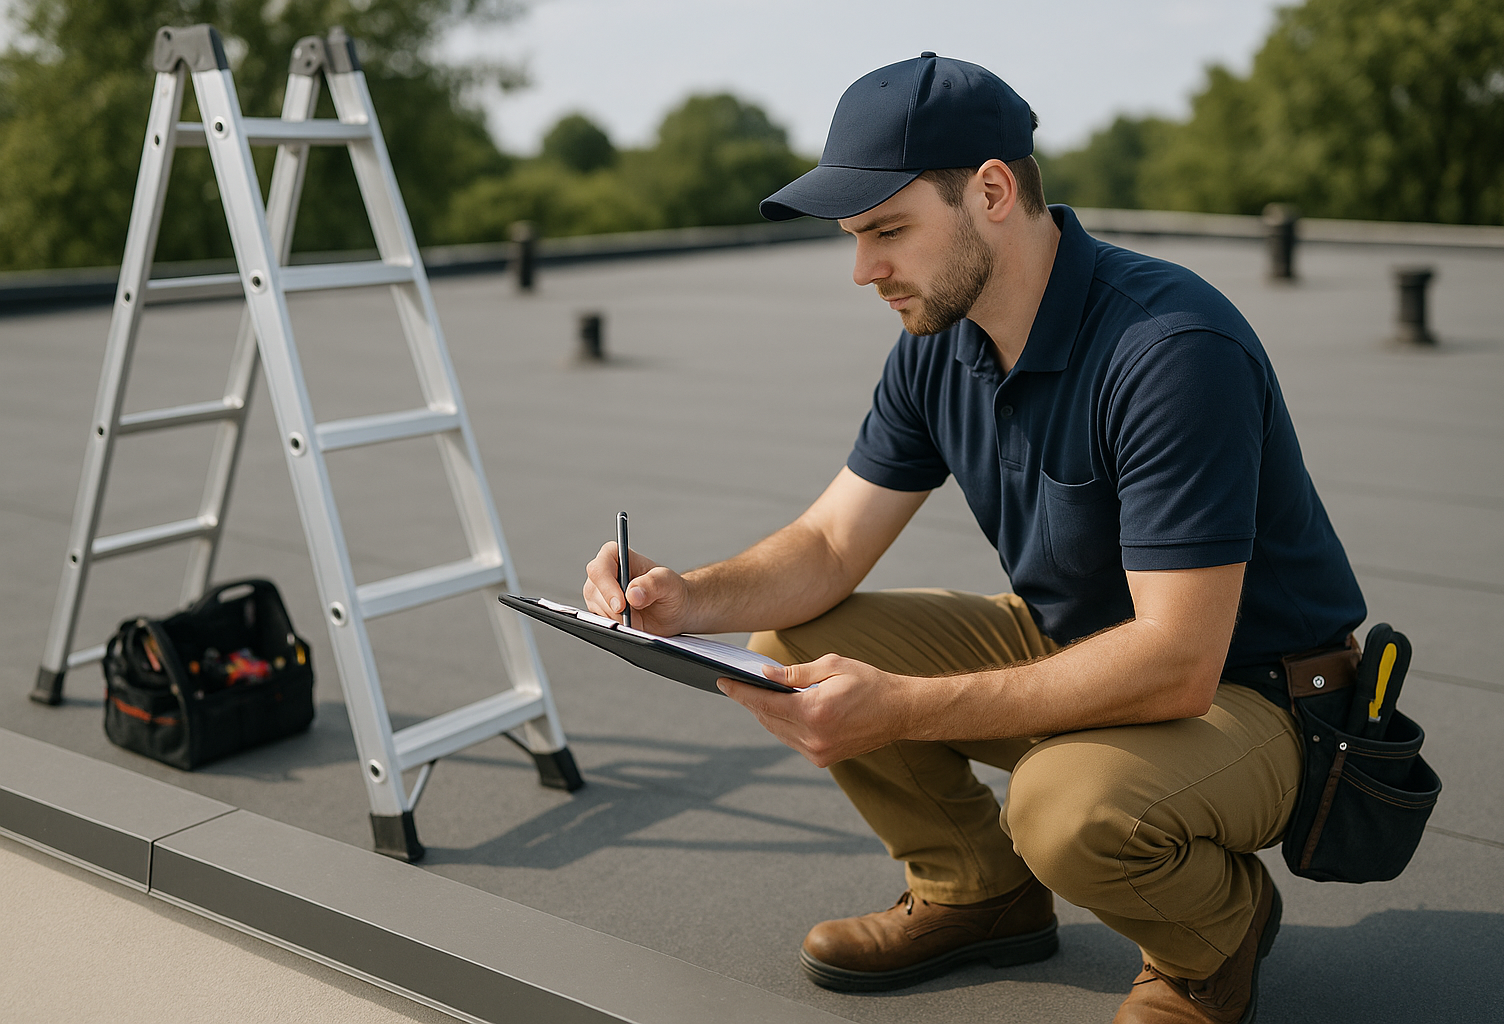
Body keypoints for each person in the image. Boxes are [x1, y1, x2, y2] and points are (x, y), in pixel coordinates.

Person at [584, 52, 1364, 1024]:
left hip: (1258, 695)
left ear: (992, 191)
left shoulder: (1170, 348)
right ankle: (978, 893)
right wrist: (683, 596)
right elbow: (829, 545)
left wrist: (902, 708)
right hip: (1077, 641)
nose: (864, 269)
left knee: (1063, 806)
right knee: (791, 650)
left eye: (888, 231)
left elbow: (1178, 662)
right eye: (854, 237)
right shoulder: (939, 342)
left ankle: (1214, 938)